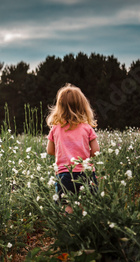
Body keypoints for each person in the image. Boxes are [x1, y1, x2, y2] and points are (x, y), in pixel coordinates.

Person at [46, 83, 100, 214]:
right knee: (86, 204)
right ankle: (83, 228)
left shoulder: (55, 128)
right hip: (85, 173)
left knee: (66, 205)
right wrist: (85, 155)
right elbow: (96, 151)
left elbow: (49, 150)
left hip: (64, 174)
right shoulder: (87, 128)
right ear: (83, 106)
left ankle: (69, 229)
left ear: (59, 107)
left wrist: (63, 153)